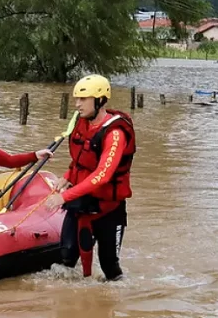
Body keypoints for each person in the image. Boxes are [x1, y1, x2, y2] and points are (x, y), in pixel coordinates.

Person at [46, 74, 136, 281]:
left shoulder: (115, 133)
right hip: (81, 202)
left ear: (100, 100)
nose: (77, 105)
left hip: (108, 208)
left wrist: (64, 197)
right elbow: (81, 159)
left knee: (109, 267)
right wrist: (67, 176)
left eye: (83, 100)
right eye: (76, 99)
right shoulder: (81, 122)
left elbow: (103, 175)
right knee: (66, 257)